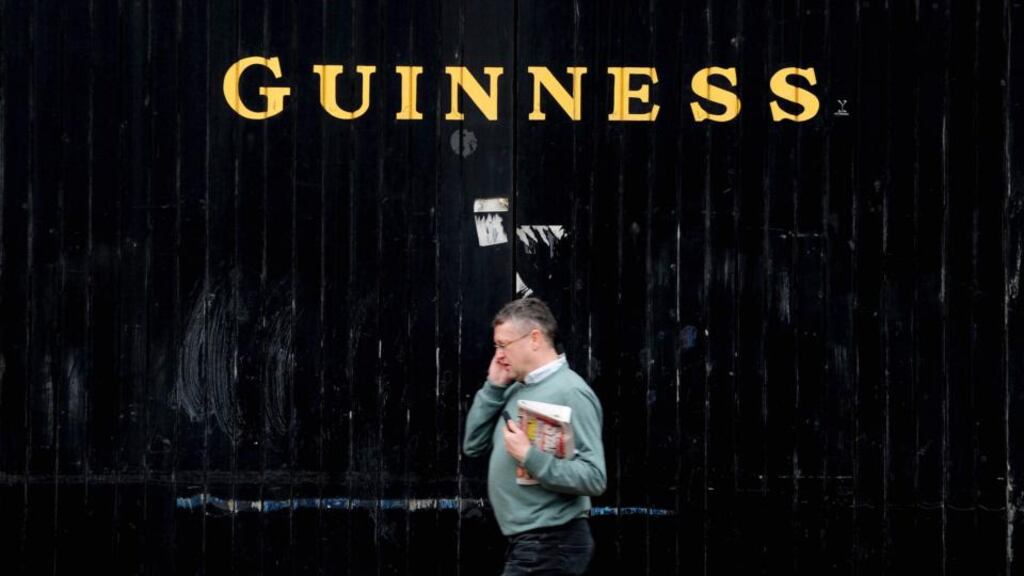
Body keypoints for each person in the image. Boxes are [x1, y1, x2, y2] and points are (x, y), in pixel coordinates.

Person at [463, 298, 607, 576]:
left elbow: (594, 477)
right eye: (496, 346)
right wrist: (493, 388)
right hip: (530, 543)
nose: (499, 355)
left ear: (535, 339)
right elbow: (473, 444)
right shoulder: (515, 388)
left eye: (503, 345)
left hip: (553, 542)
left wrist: (529, 457)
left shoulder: (570, 391)